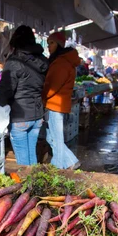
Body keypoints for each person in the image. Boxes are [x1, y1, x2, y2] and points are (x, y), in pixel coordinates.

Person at [0, 25, 48, 166]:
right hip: (37, 115)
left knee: (24, 163)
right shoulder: (42, 60)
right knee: (32, 158)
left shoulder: (14, 62)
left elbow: (5, 90)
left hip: (20, 117)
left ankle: (27, 187)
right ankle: (35, 185)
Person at [42, 32, 80, 170]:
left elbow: (52, 86)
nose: (49, 47)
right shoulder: (63, 60)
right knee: (51, 138)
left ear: (58, 44)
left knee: (56, 139)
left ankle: (57, 168)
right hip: (57, 104)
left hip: (55, 105)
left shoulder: (61, 62)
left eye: (51, 43)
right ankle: (71, 161)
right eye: (48, 44)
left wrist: (43, 97)